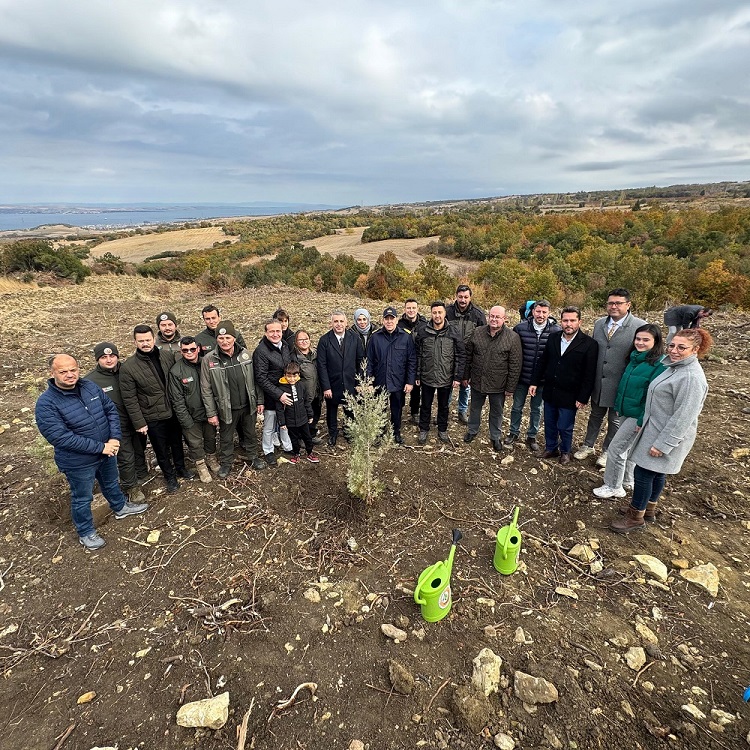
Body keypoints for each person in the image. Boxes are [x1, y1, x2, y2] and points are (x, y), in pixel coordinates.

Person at [35, 354, 148, 550]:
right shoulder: (46, 403)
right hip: (78, 461)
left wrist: (113, 439)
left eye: (73, 370)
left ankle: (120, 507)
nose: (70, 375)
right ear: (52, 373)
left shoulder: (89, 386)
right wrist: (101, 447)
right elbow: (60, 437)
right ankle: (86, 531)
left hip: (106, 451)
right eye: (63, 372)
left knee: (111, 482)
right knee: (82, 497)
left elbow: (110, 410)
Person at [609, 328, 711, 533]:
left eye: (682, 347)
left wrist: (663, 444)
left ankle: (635, 516)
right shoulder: (675, 368)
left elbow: (684, 417)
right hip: (654, 428)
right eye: (672, 345)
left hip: (664, 434)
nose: (674, 350)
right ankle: (648, 509)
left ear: (695, 349)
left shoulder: (691, 378)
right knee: (656, 473)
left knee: (644, 472)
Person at [574, 289, 646, 468]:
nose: (613, 306)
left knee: (614, 420)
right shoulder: (599, 324)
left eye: (618, 303)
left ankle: (607, 450)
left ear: (628, 305)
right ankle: (588, 445)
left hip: (622, 383)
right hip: (599, 381)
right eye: (610, 303)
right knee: (595, 415)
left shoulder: (639, 325)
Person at [593, 325, 666, 499]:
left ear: (656, 342)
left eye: (646, 340)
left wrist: (642, 420)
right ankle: (627, 479)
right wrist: (619, 406)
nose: (640, 343)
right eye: (638, 339)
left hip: (639, 415)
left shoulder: (659, 364)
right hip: (627, 411)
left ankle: (613, 486)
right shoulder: (634, 359)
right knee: (629, 447)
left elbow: (653, 397)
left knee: (616, 448)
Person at [120, 324, 193, 493]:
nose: (145, 343)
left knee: (177, 442)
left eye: (147, 339)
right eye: (141, 341)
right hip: (152, 414)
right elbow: (129, 399)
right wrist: (139, 422)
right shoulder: (128, 367)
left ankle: (181, 468)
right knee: (160, 448)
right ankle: (170, 476)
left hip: (173, 409)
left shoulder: (167, 356)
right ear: (135, 342)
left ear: (154, 339)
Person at [529, 307, 598, 464]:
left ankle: (565, 451)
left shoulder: (589, 344)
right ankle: (551, 448)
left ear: (579, 322)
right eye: (565, 320)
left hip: (570, 394)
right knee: (550, 422)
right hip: (551, 390)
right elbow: (543, 362)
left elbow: (589, 373)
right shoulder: (553, 338)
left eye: (572, 320)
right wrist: (534, 381)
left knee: (565, 425)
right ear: (561, 322)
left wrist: (583, 397)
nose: (568, 324)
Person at [84, 342, 148, 503]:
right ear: (98, 359)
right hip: (115, 426)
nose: (109, 360)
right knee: (126, 457)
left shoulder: (127, 369)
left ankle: (141, 473)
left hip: (136, 419)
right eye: (104, 357)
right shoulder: (91, 381)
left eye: (112, 356)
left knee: (140, 448)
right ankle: (131, 487)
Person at [200, 320, 266, 477]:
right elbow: (206, 388)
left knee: (250, 433)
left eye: (228, 338)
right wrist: (211, 413)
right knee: (226, 437)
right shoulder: (209, 360)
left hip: (247, 404)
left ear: (234, 338)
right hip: (225, 407)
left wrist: (260, 400)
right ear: (216, 339)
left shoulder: (246, 355)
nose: (225, 341)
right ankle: (226, 463)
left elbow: (257, 380)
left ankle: (253, 457)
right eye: (221, 338)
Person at [462, 306, 522, 451]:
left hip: (498, 384)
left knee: (496, 412)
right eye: (492, 316)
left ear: (504, 319)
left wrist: (510, 388)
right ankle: (472, 431)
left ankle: (495, 437)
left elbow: (515, 364)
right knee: (475, 408)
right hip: (477, 381)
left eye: (497, 317)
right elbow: (468, 356)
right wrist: (465, 376)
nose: (494, 319)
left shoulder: (512, 337)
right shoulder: (477, 332)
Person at [506, 300, 561, 451]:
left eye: (544, 312)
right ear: (532, 311)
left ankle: (532, 435)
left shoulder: (556, 331)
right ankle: (513, 432)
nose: (541, 315)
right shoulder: (520, 328)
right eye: (538, 311)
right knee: (517, 407)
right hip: (522, 377)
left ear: (549, 313)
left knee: (536, 409)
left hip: (542, 380)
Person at [168, 335, 219, 483]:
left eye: (192, 349)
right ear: (181, 351)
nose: (189, 352)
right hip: (190, 416)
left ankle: (211, 458)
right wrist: (185, 420)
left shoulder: (207, 363)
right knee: (195, 443)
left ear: (198, 348)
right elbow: (177, 400)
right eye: (185, 350)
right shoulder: (176, 371)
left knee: (210, 437)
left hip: (209, 412)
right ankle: (201, 465)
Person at [415, 301, 466, 445]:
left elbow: (460, 355)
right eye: (434, 312)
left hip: (446, 377)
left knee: (444, 405)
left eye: (440, 312)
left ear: (445, 313)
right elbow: (418, 355)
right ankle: (424, 428)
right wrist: (417, 374)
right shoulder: (423, 331)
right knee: (425, 404)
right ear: (431, 314)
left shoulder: (453, 332)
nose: (437, 315)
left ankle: (442, 429)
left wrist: (457, 376)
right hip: (427, 376)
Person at [366, 306, 417, 444]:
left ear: (396, 320)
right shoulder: (375, 338)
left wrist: (410, 381)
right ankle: (379, 432)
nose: (389, 321)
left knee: (397, 409)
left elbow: (411, 361)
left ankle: (396, 432)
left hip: (398, 382)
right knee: (379, 409)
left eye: (392, 319)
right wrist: (369, 382)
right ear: (383, 320)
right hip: (379, 381)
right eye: (386, 319)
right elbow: (369, 361)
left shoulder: (405, 337)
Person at [317, 310, 365, 446]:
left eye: (341, 321)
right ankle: (333, 434)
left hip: (351, 382)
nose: (339, 324)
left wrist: (359, 382)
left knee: (350, 410)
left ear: (346, 322)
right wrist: (326, 387)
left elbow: (360, 361)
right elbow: (322, 365)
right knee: (331, 411)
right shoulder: (325, 340)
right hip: (332, 384)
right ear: (331, 323)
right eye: (336, 321)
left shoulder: (354, 338)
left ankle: (349, 432)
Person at [253, 318, 295, 466]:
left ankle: (286, 445)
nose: (275, 334)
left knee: (283, 421)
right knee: (270, 424)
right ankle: (268, 450)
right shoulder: (261, 351)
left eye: (278, 331)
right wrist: (279, 394)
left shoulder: (284, 346)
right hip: (271, 395)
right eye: (272, 331)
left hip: (285, 390)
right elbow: (261, 377)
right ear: (266, 333)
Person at [446, 284, 486, 424]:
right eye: (460, 297)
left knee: (465, 385)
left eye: (466, 297)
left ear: (470, 297)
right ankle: (444, 410)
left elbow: (483, 338)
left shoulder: (478, 315)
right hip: (449, 355)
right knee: (447, 384)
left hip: (469, 357)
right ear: (455, 296)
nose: (463, 300)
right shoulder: (447, 312)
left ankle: (462, 411)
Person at [276, 361, 320, 464]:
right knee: (294, 438)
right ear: (285, 375)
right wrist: (282, 422)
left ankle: (310, 453)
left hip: (303, 418)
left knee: (307, 437)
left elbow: (306, 402)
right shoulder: (281, 389)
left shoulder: (301, 385)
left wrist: (310, 415)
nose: (292, 379)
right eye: (289, 376)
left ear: (298, 375)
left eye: (294, 376)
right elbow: (279, 408)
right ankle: (296, 454)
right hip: (290, 420)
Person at [397, 299, 427, 425]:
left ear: (417, 309)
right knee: (401, 387)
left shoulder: (424, 324)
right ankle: (399, 410)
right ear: (405, 309)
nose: (411, 310)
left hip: (419, 360)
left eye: (413, 308)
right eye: (408, 308)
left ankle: (415, 412)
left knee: (416, 388)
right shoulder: (399, 325)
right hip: (403, 361)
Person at [292, 329, 323, 443]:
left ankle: (311, 434)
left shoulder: (317, 354)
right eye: (300, 340)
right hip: (304, 394)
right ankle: (300, 438)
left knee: (316, 413)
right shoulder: (294, 358)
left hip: (317, 392)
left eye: (306, 339)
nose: (304, 342)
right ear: (296, 342)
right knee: (302, 416)